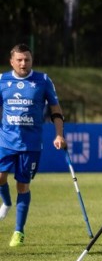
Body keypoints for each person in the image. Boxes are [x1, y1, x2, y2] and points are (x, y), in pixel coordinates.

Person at [0, 43, 66, 247]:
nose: (23, 63)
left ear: (31, 60)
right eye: (19, 59)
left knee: (22, 185)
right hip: (5, 140)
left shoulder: (43, 80)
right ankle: (7, 203)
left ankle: (18, 231)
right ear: (11, 61)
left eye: (27, 59)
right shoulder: (2, 80)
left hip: (31, 144)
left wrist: (59, 135)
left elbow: (56, 109)